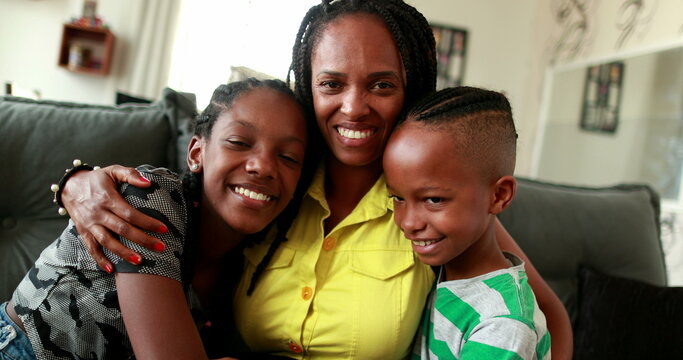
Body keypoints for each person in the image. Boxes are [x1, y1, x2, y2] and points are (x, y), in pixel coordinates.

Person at [57, 0, 573, 358]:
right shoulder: (276, 181)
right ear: (309, 86)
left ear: (410, 88)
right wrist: (77, 182)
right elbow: (187, 195)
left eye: (381, 84)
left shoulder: (427, 210)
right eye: (331, 83)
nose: (354, 107)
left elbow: (545, 318)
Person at [1, 78, 315, 360]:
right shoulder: (151, 197)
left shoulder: (256, 260)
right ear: (196, 153)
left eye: (288, 157)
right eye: (239, 143)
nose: (263, 166)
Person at [384, 86, 550, 359]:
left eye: (434, 199)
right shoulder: (446, 273)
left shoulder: (503, 325)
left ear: (499, 195)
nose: (408, 222)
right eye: (397, 198)